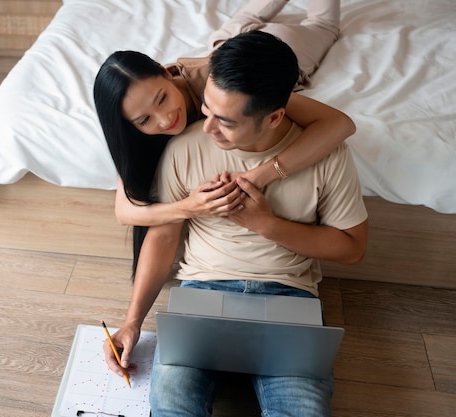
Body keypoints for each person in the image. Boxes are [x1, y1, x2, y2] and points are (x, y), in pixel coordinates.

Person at [102, 31, 368, 416]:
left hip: (288, 296)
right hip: (202, 292)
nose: (206, 128)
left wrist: (267, 224)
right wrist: (131, 322)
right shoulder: (181, 145)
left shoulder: (327, 155)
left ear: (275, 115)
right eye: (205, 110)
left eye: (224, 121)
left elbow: (353, 249)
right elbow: (159, 236)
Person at [93, 0, 347, 230]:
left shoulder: (233, 91)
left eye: (162, 99)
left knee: (322, 25)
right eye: (144, 120)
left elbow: (339, 124)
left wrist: (261, 175)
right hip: (223, 48)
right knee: (239, 26)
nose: (165, 119)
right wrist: (191, 207)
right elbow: (125, 212)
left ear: (166, 71)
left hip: (269, 45)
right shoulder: (135, 109)